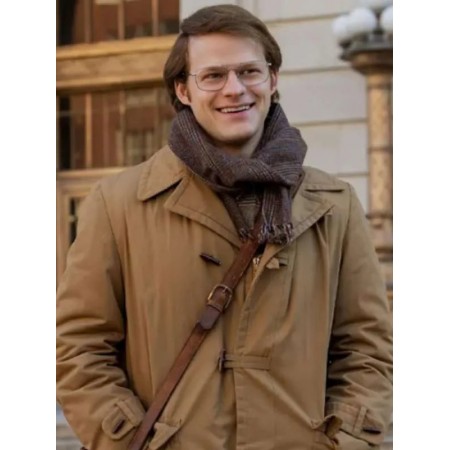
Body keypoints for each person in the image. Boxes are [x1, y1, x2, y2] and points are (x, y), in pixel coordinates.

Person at [56, 5, 393, 450]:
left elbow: (367, 351)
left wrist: (344, 442)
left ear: (272, 79)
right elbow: (79, 348)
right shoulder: (119, 204)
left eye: (249, 71)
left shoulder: (334, 205)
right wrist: (130, 441)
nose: (234, 89)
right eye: (213, 76)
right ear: (183, 90)